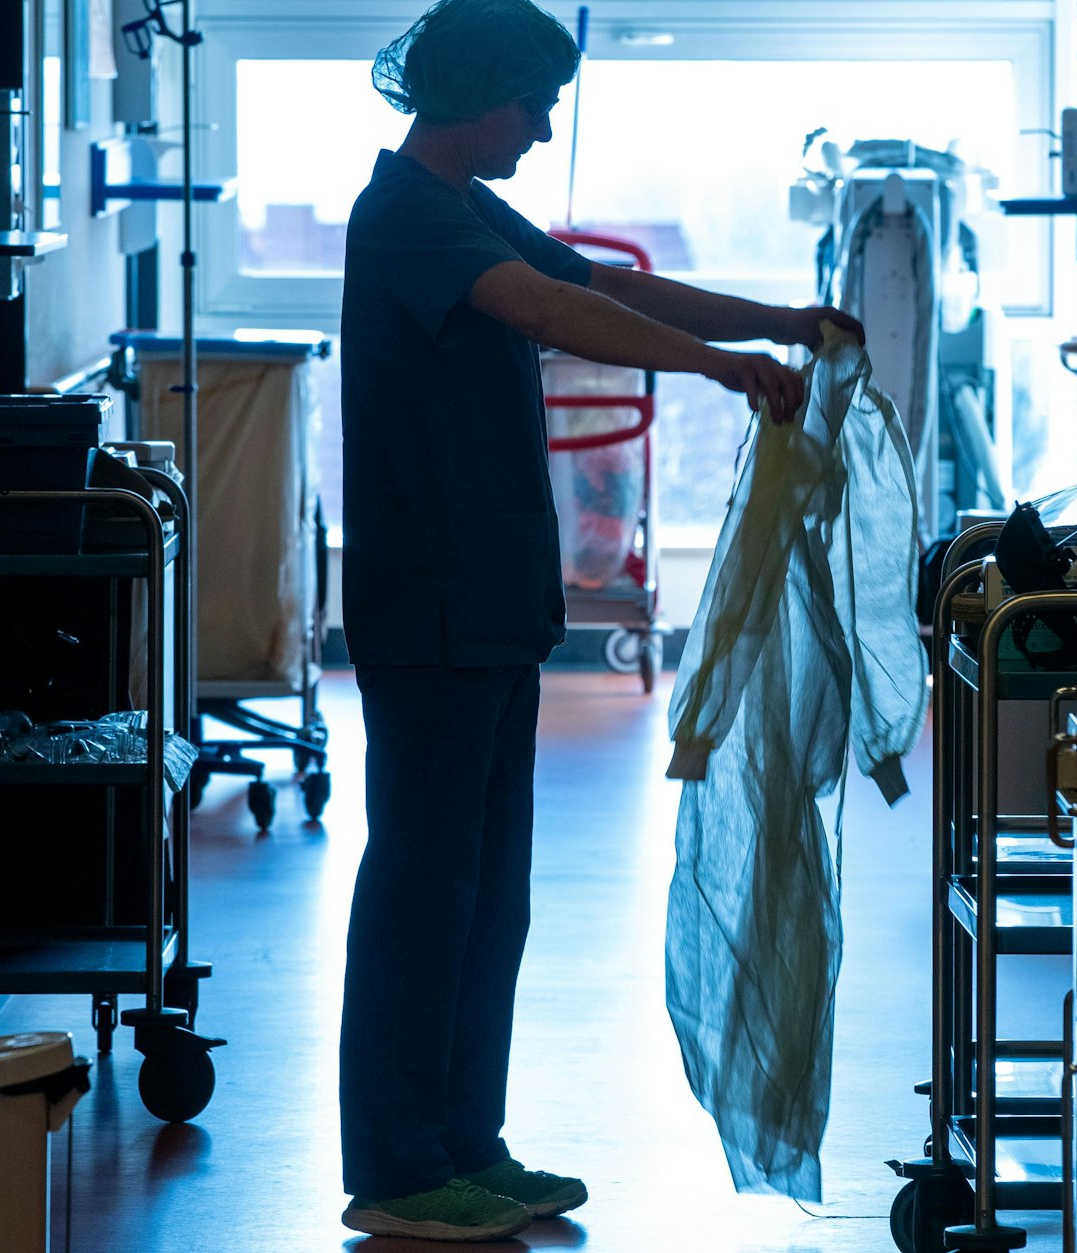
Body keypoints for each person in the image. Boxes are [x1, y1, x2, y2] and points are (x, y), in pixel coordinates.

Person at [337, 0, 863, 1241]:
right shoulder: (404, 217)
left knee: (487, 892)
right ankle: (398, 1164)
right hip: (428, 605)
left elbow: (608, 284)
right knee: (423, 885)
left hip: (489, 602)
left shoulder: (464, 208)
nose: (542, 127)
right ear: (475, 93)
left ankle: (467, 1139)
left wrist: (775, 323)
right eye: (534, 103)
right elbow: (552, 313)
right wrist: (720, 369)